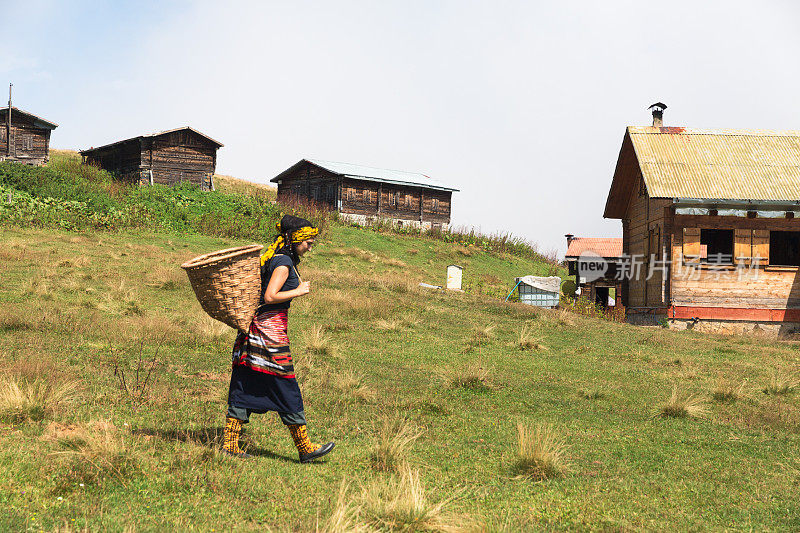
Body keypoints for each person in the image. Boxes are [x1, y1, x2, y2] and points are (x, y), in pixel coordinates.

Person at [222, 214, 335, 463]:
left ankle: (230, 444)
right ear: (294, 240)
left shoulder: (277, 258)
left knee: (244, 382)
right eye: (307, 242)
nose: (310, 246)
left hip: (252, 332)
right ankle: (305, 448)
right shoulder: (283, 263)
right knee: (287, 384)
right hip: (268, 335)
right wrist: (299, 290)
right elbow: (271, 296)